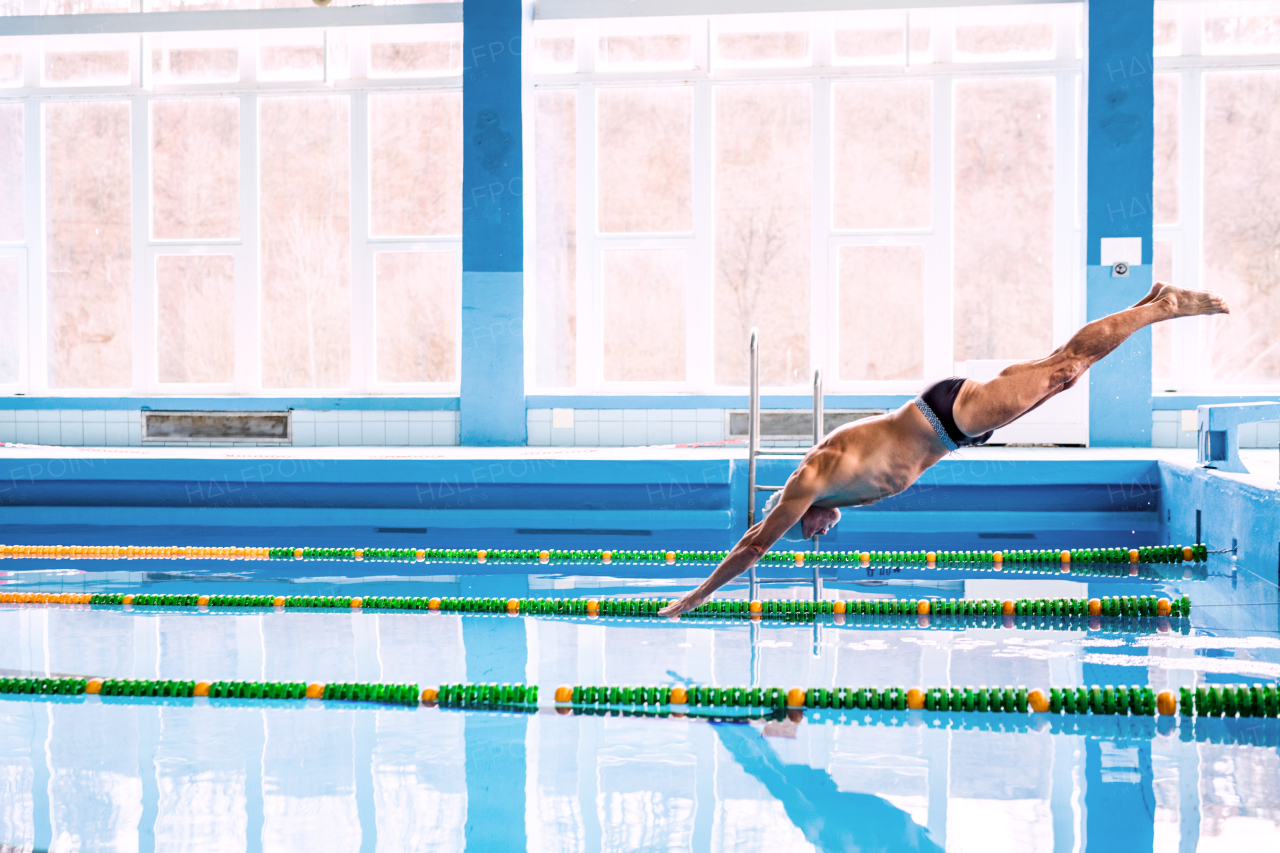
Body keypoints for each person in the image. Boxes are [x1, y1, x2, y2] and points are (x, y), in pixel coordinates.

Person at [659, 281, 1229, 617]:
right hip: (951, 421)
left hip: (949, 415)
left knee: (1064, 370)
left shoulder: (807, 483)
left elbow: (755, 544)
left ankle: (1164, 306)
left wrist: (696, 597)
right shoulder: (830, 491)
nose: (817, 533)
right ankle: (1148, 300)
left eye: (808, 529)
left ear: (798, 511)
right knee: (1066, 370)